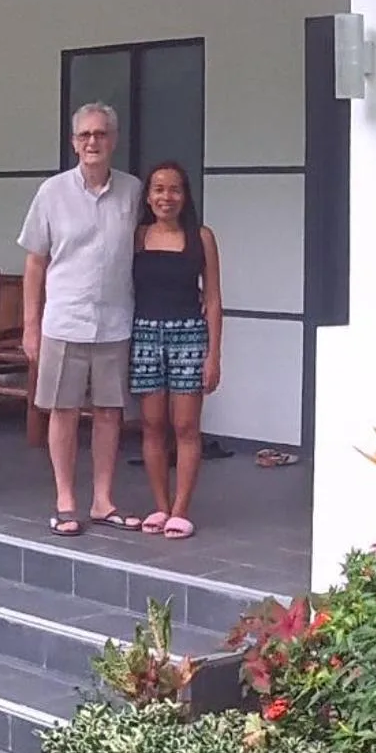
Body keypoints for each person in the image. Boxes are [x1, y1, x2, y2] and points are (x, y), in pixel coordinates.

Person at [19, 102, 146, 537]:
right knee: (64, 410)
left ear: (114, 140)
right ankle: (66, 500)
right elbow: (35, 264)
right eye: (85, 135)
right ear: (74, 142)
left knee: (110, 412)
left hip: (115, 321)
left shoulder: (133, 191)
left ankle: (104, 500)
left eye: (101, 134)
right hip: (64, 321)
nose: (93, 142)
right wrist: (30, 327)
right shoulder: (52, 193)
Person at [130, 161, 222, 539]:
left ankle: (181, 509)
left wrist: (213, 355)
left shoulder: (201, 237)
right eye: (158, 189)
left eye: (174, 189)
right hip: (144, 335)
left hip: (189, 335)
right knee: (152, 425)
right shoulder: (136, 236)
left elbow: (214, 299)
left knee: (186, 426)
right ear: (148, 196)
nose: (166, 197)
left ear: (185, 196)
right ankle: (160, 506)